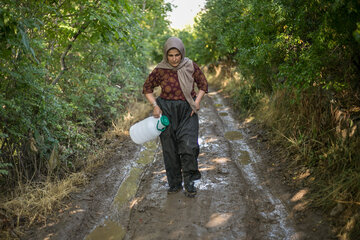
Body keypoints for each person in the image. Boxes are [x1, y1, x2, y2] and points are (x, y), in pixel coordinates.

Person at [142, 37, 208, 197]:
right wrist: (155, 106)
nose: (174, 58)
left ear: (182, 53)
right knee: (170, 150)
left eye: (177, 55)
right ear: (166, 54)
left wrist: (196, 102)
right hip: (166, 111)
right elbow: (147, 88)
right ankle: (175, 183)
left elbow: (203, 85)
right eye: (170, 55)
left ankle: (190, 182)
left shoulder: (190, 65)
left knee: (188, 147)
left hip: (187, 111)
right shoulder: (160, 69)